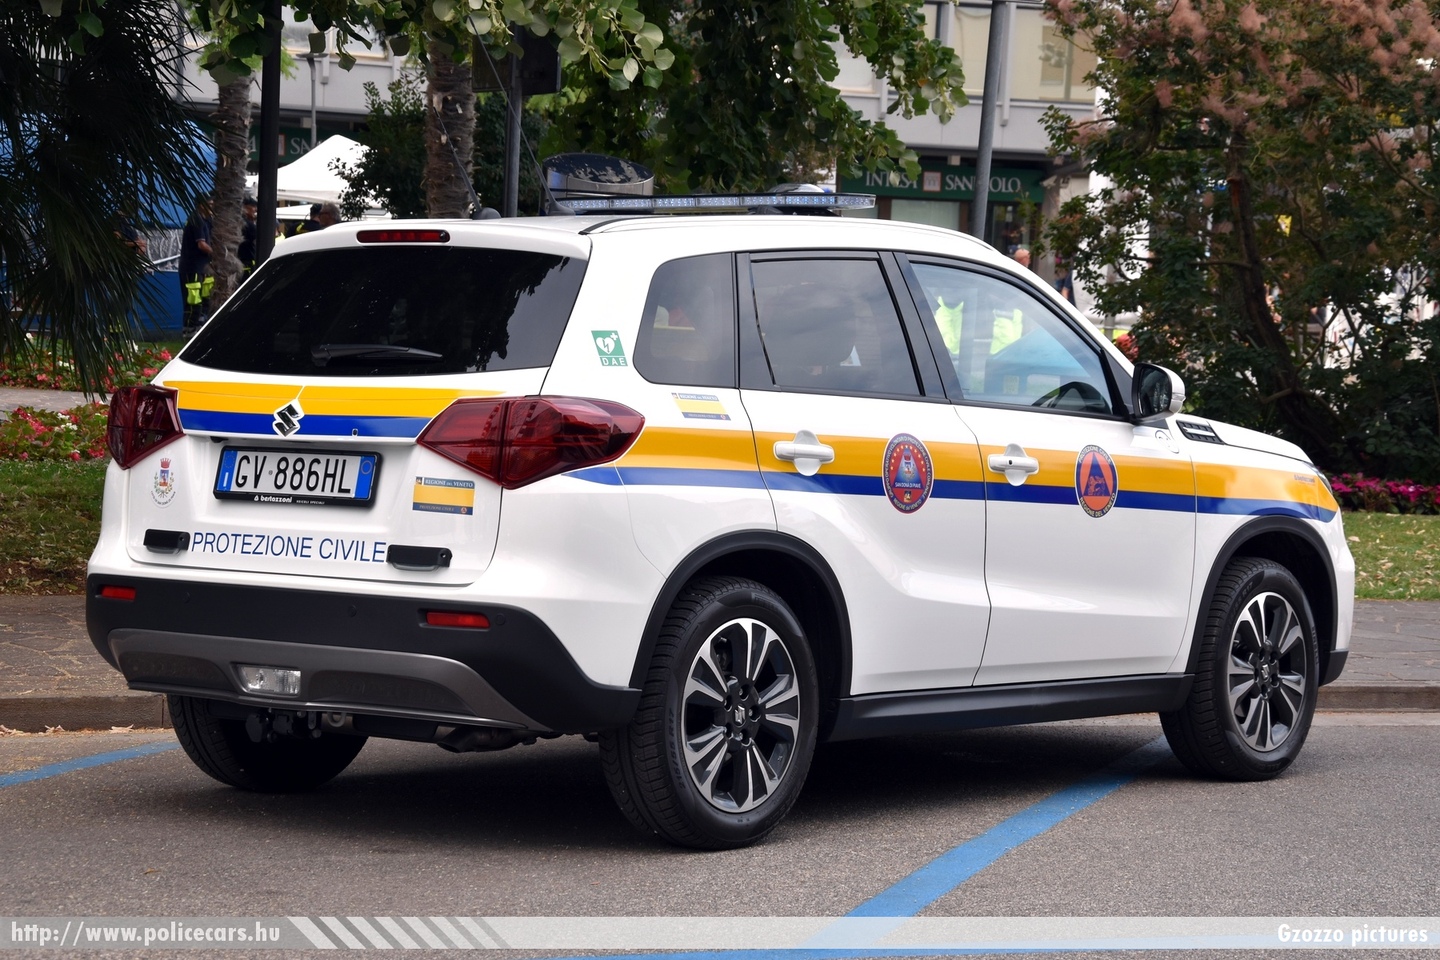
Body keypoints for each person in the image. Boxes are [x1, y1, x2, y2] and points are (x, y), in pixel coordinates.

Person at [178, 198, 213, 337]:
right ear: (201, 205)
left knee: (204, 301)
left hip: (203, 268)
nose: (212, 207)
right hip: (191, 267)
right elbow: (201, 245)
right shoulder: (196, 220)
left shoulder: (207, 220)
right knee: (193, 302)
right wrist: (218, 255)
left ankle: (199, 331)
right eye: (209, 204)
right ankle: (189, 332)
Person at [237, 197, 258, 273]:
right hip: (246, 263)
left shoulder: (237, 221)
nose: (255, 209)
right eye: (253, 206)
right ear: (244, 207)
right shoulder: (248, 225)